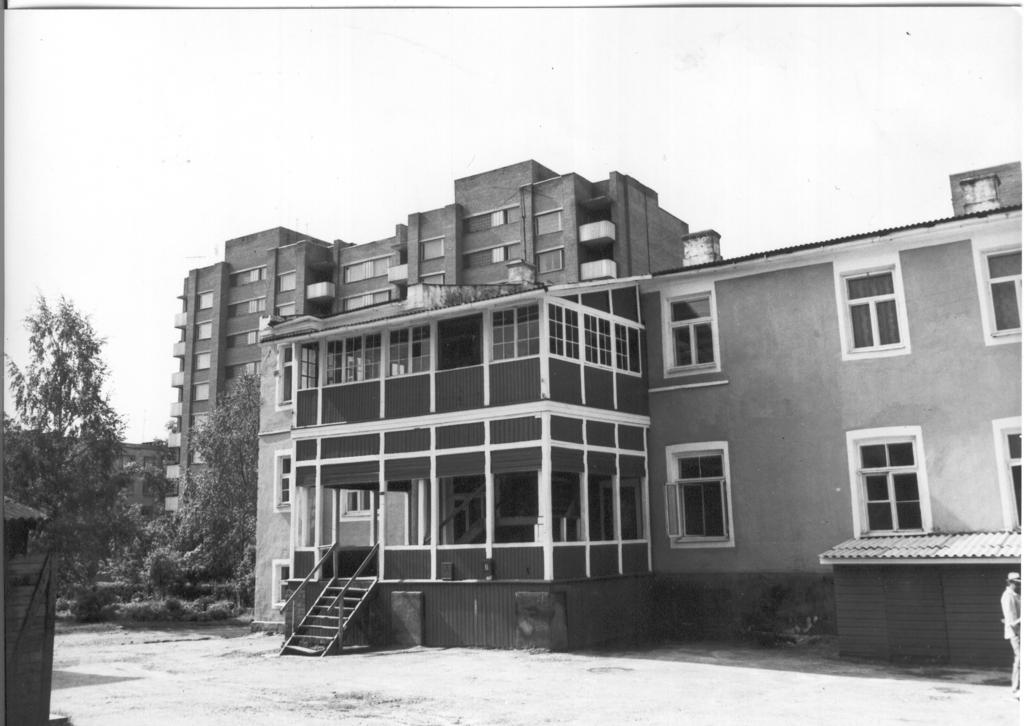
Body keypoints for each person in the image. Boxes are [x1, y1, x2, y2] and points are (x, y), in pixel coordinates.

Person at [1002, 571, 1021, 698]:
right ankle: (1015, 689)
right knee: (1019, 659)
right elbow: (1012, 621)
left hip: (1019, 631)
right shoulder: (1007, 596)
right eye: (1017, 583)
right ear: (1011, 583)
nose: (1019, 585)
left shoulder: (1016, 595)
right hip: (1015, 633)